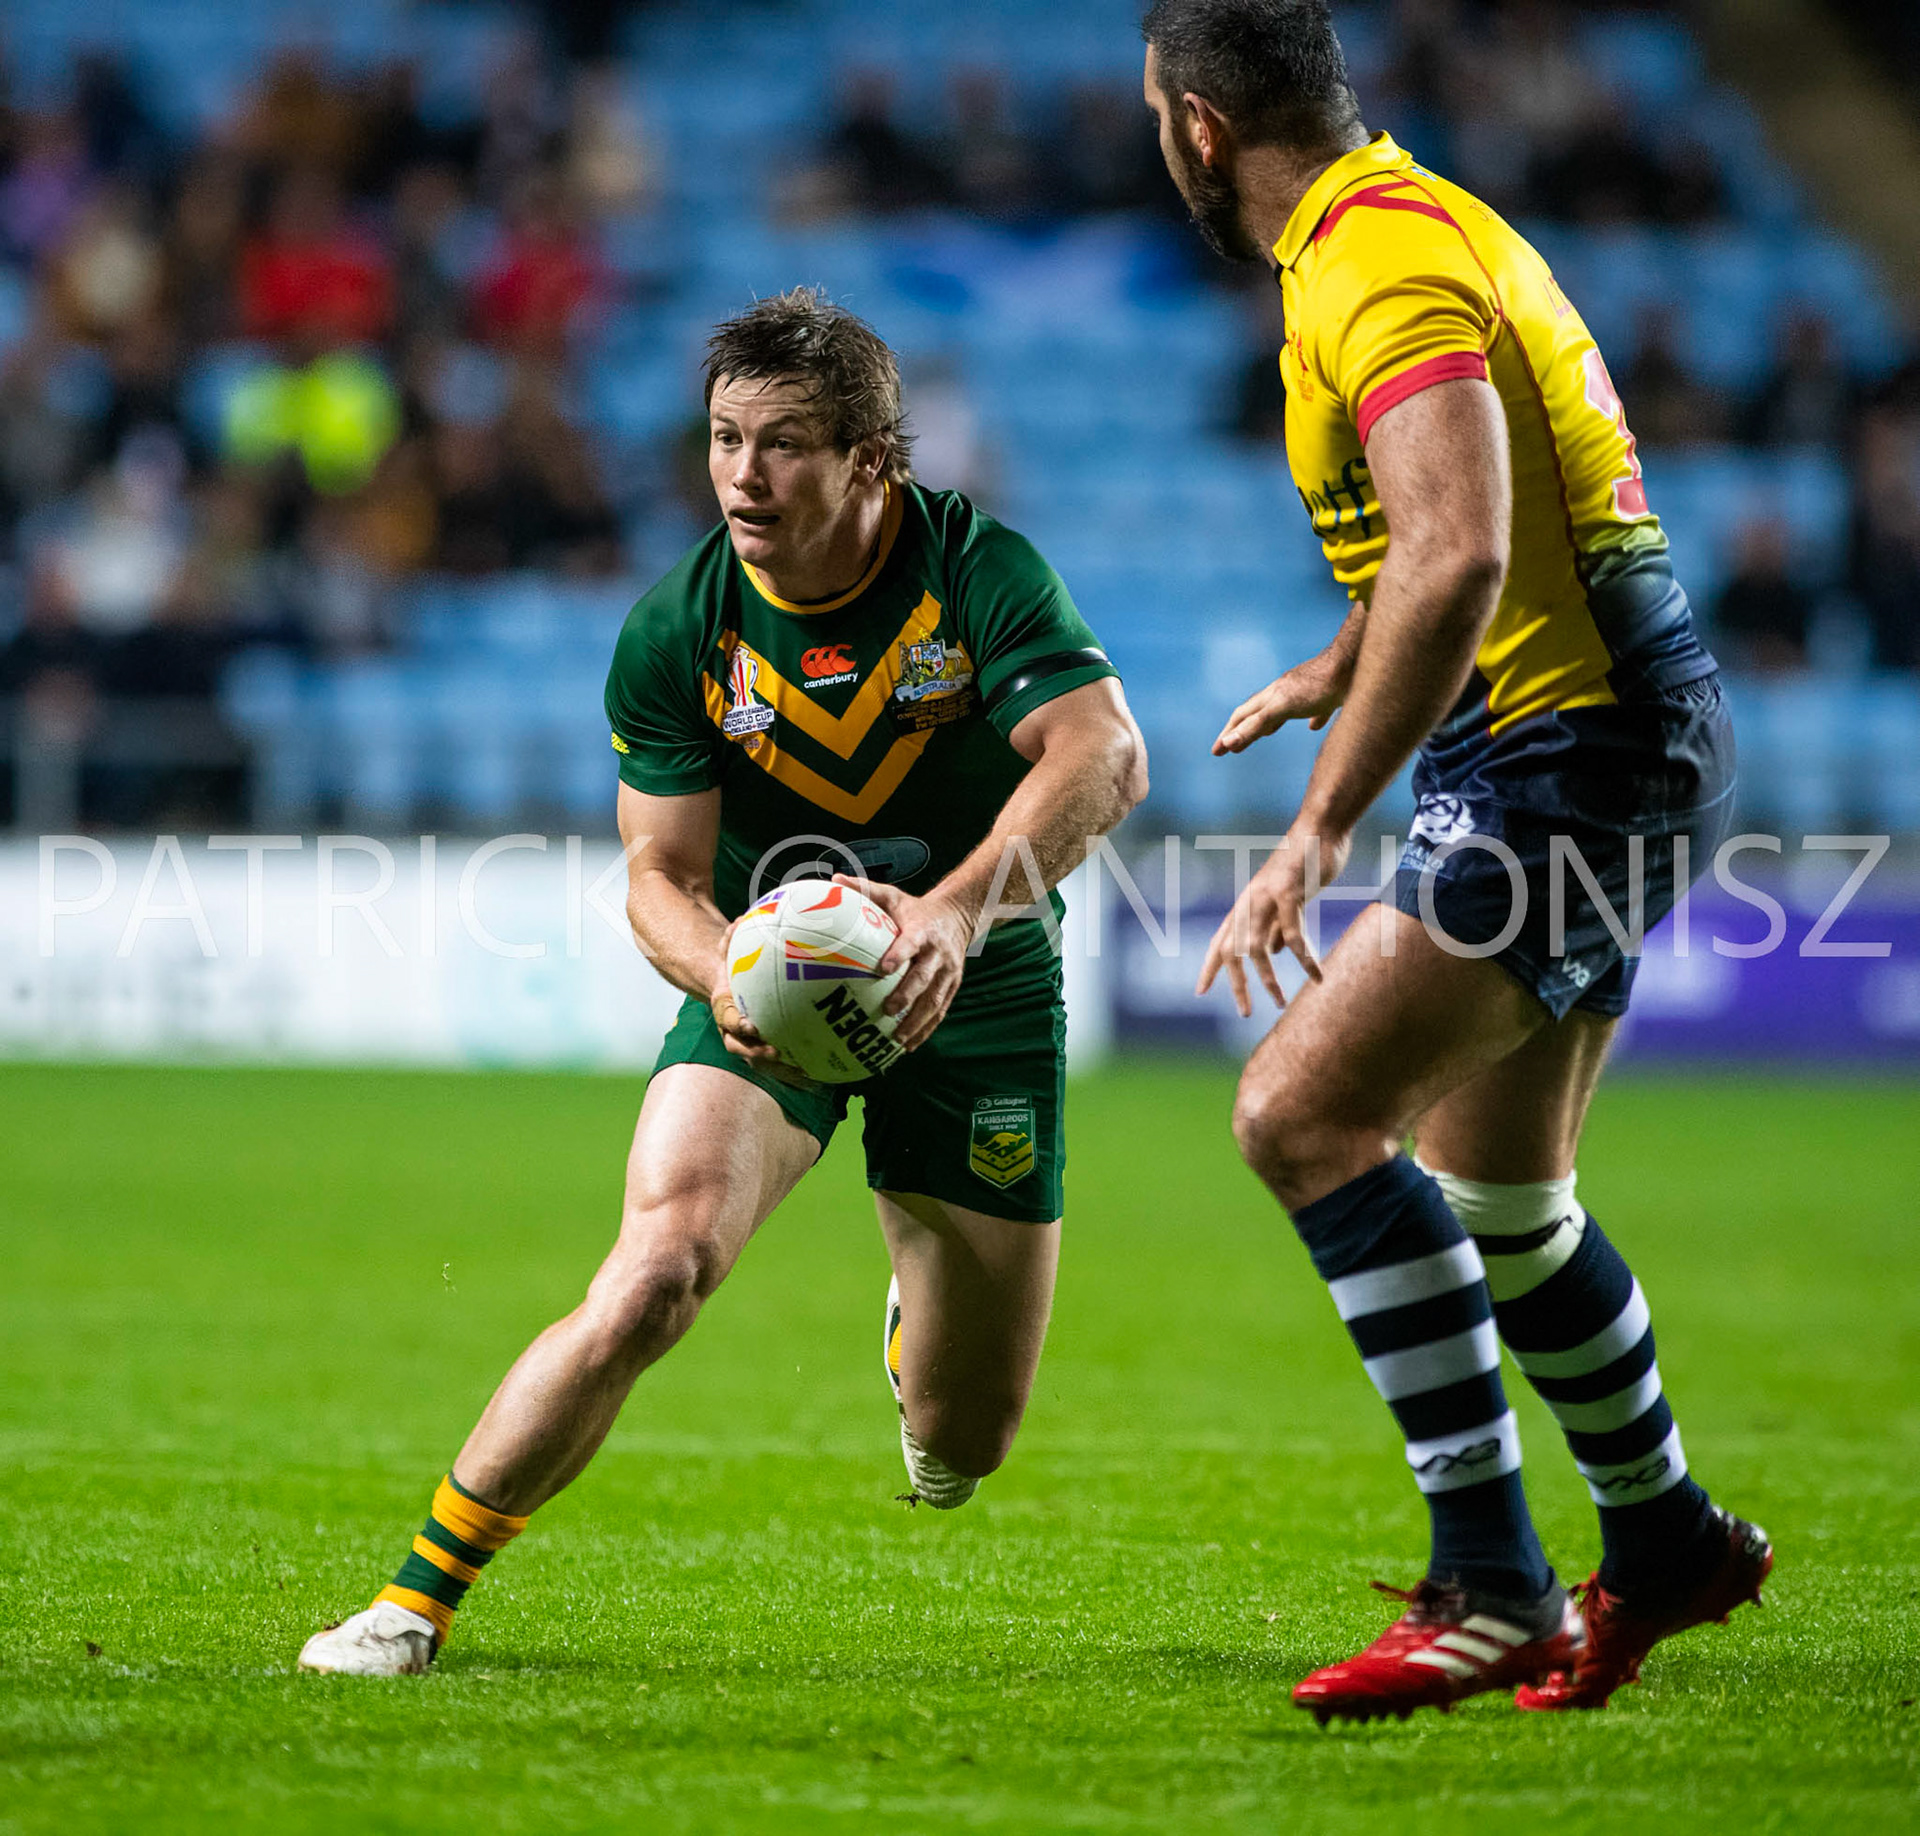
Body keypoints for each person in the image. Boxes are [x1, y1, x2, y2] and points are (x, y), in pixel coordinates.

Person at [297, 288, 1147, 1675]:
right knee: (655, 1272)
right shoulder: (676, 629)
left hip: (975, 974)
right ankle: (412, 1601)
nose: (746, 477)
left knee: (963, 1438)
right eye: (725, 440)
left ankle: (917, 1327)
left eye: (788, 445)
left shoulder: (979, 572)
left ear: (876, 461)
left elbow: (1104, 757)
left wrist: (945, 919)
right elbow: (655, 877)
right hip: (777, 982)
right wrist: (728, 982)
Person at [1141, 0, 1769, 1722]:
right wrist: (1344, 664)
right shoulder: (1415, 223)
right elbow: (1479, 530)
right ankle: (1665, 1547)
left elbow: (1462, 551)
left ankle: (1489, 1580)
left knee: (1300, 1112)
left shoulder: (1375, 267)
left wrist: (1319, 829)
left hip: (1579, 752)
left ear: (1196, 126)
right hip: (1593, 735)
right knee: (1499, 1193)